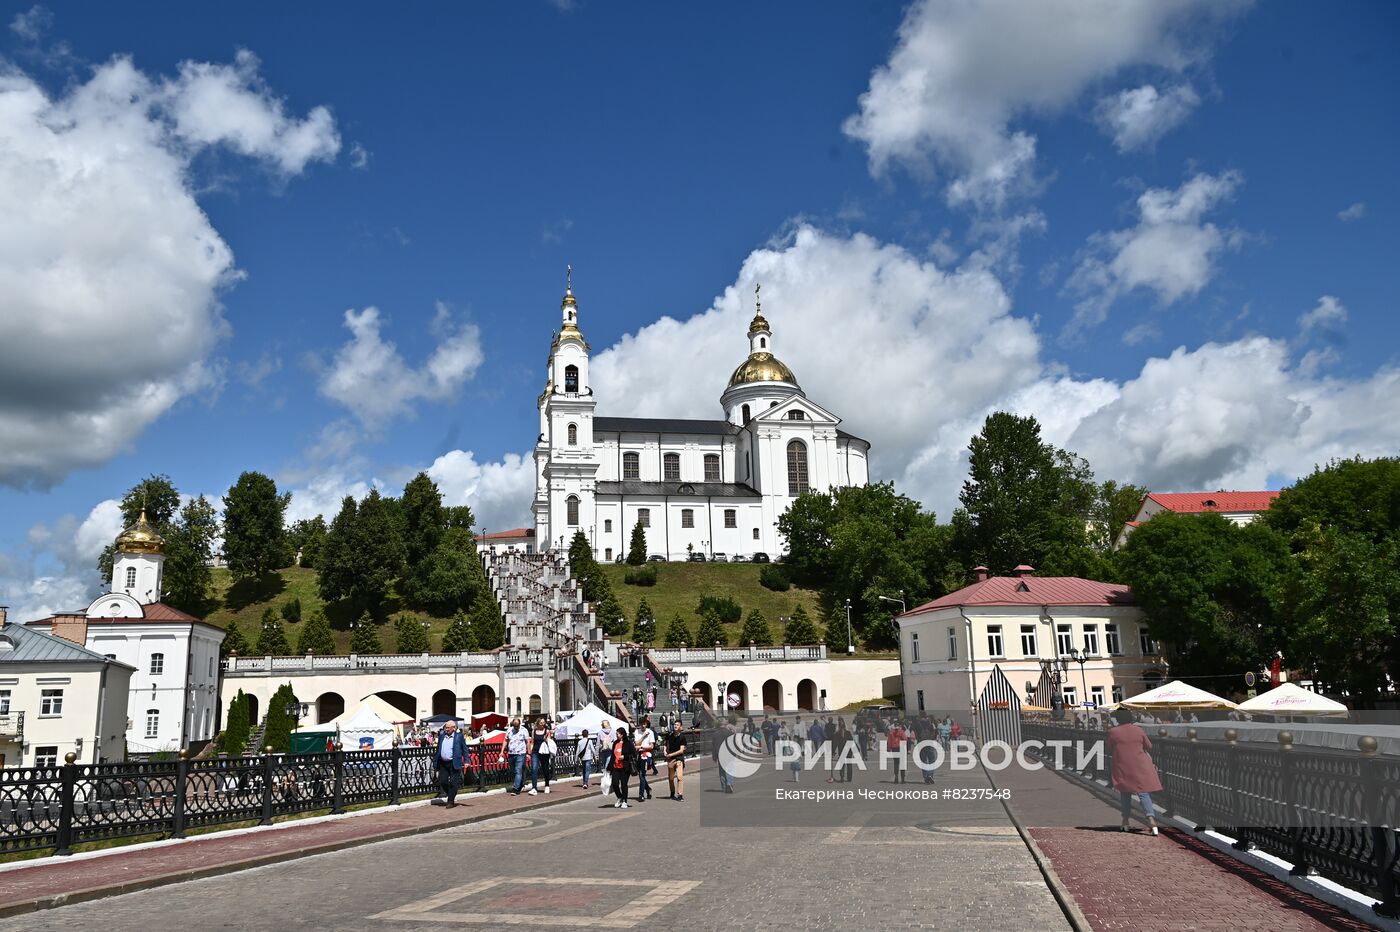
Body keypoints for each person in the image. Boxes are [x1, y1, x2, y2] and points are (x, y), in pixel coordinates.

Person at [1107, 708, 1163, 835]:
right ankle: (1151, 820)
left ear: (1118, 719)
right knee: (1143, 792)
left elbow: (1110, 748)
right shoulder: (1138, 730)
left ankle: (1125, 821)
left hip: (1123, 766)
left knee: (1125, 793)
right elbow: (1148, 746)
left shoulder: (1113, 732)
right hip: (1140, 765)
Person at [436, 719, 467, 807]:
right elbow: (438, 748)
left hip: (454, 762)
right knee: (443, 781)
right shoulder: (442, 736)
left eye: (448, 728)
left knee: (454, 783)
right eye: (446, 727)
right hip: (443, 763)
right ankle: (451, 794)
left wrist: (466, 761)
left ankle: (450, 801)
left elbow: (465, 750)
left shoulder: (459, 736)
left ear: (454, 728)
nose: (446, 729)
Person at [609, 725, 639, 809]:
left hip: (625, 767)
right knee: (614, 784)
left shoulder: (628, 743)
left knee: (623, 785)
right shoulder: (615, 743)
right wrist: (609, 767)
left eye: (618, 734)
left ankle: (625, 801)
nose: (616, 735)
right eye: (616, 734)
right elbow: (612, 755)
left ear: (622, 734)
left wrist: (624, 757)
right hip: (615, 766)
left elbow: (634, 754)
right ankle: (620, 797)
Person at [663, 720, 686, 800]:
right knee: (671, 778)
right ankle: (672, 792)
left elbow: (681, 750)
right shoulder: (669, 735)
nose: (675, 726)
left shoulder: (682, 737)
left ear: (680, 727)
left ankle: (680, 795)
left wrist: (671, 754)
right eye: (675, 724)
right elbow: (665, 743)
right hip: (670, 759)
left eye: (677, 725)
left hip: (679, 758)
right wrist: (664, 751)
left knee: (680, 777)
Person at [505, 718, 529, 795]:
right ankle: (521, 784)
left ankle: (516, 789)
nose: (516, 727)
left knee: (518, 770)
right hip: (511, 753)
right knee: (513, 771)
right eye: (514, 725)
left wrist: (528, 753)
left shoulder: (524, 730)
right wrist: (502, 751)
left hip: (521, 753)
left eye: (517, 725)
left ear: (519, 724)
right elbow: (505, 740)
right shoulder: (509, 730)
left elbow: (527, 741)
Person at [634, 716, 656, 801]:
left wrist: (642, 746)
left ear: (646, 724)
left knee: (642, 774)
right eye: (641, 724)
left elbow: (651, 746)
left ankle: (641, 794)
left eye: (644, 724)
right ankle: (648, 788)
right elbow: (636, 743)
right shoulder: (637, 732)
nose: (643, 726)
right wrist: (643, 736)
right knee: (640, 775)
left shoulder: (650, 732)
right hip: (639, 754)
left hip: (647, 755)